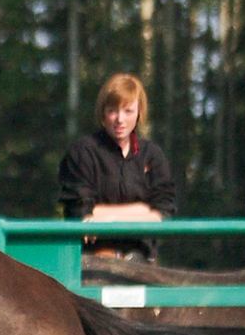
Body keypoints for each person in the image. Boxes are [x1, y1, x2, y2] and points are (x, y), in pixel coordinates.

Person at [58, 72, 177, 260]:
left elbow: (164, 212)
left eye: (128, 111)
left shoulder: (153, 155)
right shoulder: (82, 153)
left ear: (139, 113)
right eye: (113, 110)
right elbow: (79, 212)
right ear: (102, 112)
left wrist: (102, 216)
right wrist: (141, 211)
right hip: (93, 263)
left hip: (143, 262)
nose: (120, 119)